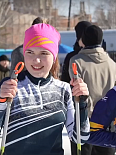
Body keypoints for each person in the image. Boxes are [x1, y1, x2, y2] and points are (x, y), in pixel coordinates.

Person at [0, 23, 90, 155]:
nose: (36, 60)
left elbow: (80, 138)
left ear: (53, 57)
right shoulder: (10, 86)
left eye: (44, 53)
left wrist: (82, 104)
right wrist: (1, 101)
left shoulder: (64, 90)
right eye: (30, 52)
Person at [69, 25, 116, 155]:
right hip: (107, 123)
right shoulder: (113, 65)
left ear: (83, 41)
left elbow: (77, 91)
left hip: (85, 120)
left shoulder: (76, 62)